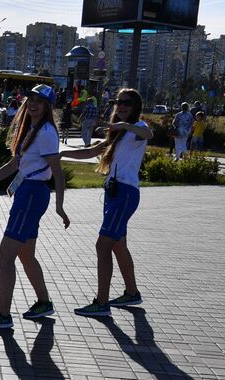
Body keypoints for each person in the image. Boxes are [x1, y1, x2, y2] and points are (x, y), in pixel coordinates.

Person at [0, 84, 70, 327]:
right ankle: (43, 302)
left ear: (49, 106)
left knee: (6, 254)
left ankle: (3, 314)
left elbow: (57, 173)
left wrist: (60, 207)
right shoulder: (32, 129)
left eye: (40, 101)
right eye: (31, 99)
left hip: (32, 193)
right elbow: (14, 165)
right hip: (27, 192)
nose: (34, 104)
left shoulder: (46, 132)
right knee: (26, 254)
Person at [63, 87, 152, 317]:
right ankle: (132, 293)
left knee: (102, 245)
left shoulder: (137, 128)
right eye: (119, 102)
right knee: (118, 244)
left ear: (136, 108)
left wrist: (122, 126)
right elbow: (92, 151)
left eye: (127, 103)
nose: (121, 106)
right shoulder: (118, 133)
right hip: (113, 192)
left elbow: (148, 135)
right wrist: (60, 154)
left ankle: (101, 303)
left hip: (125, 193)